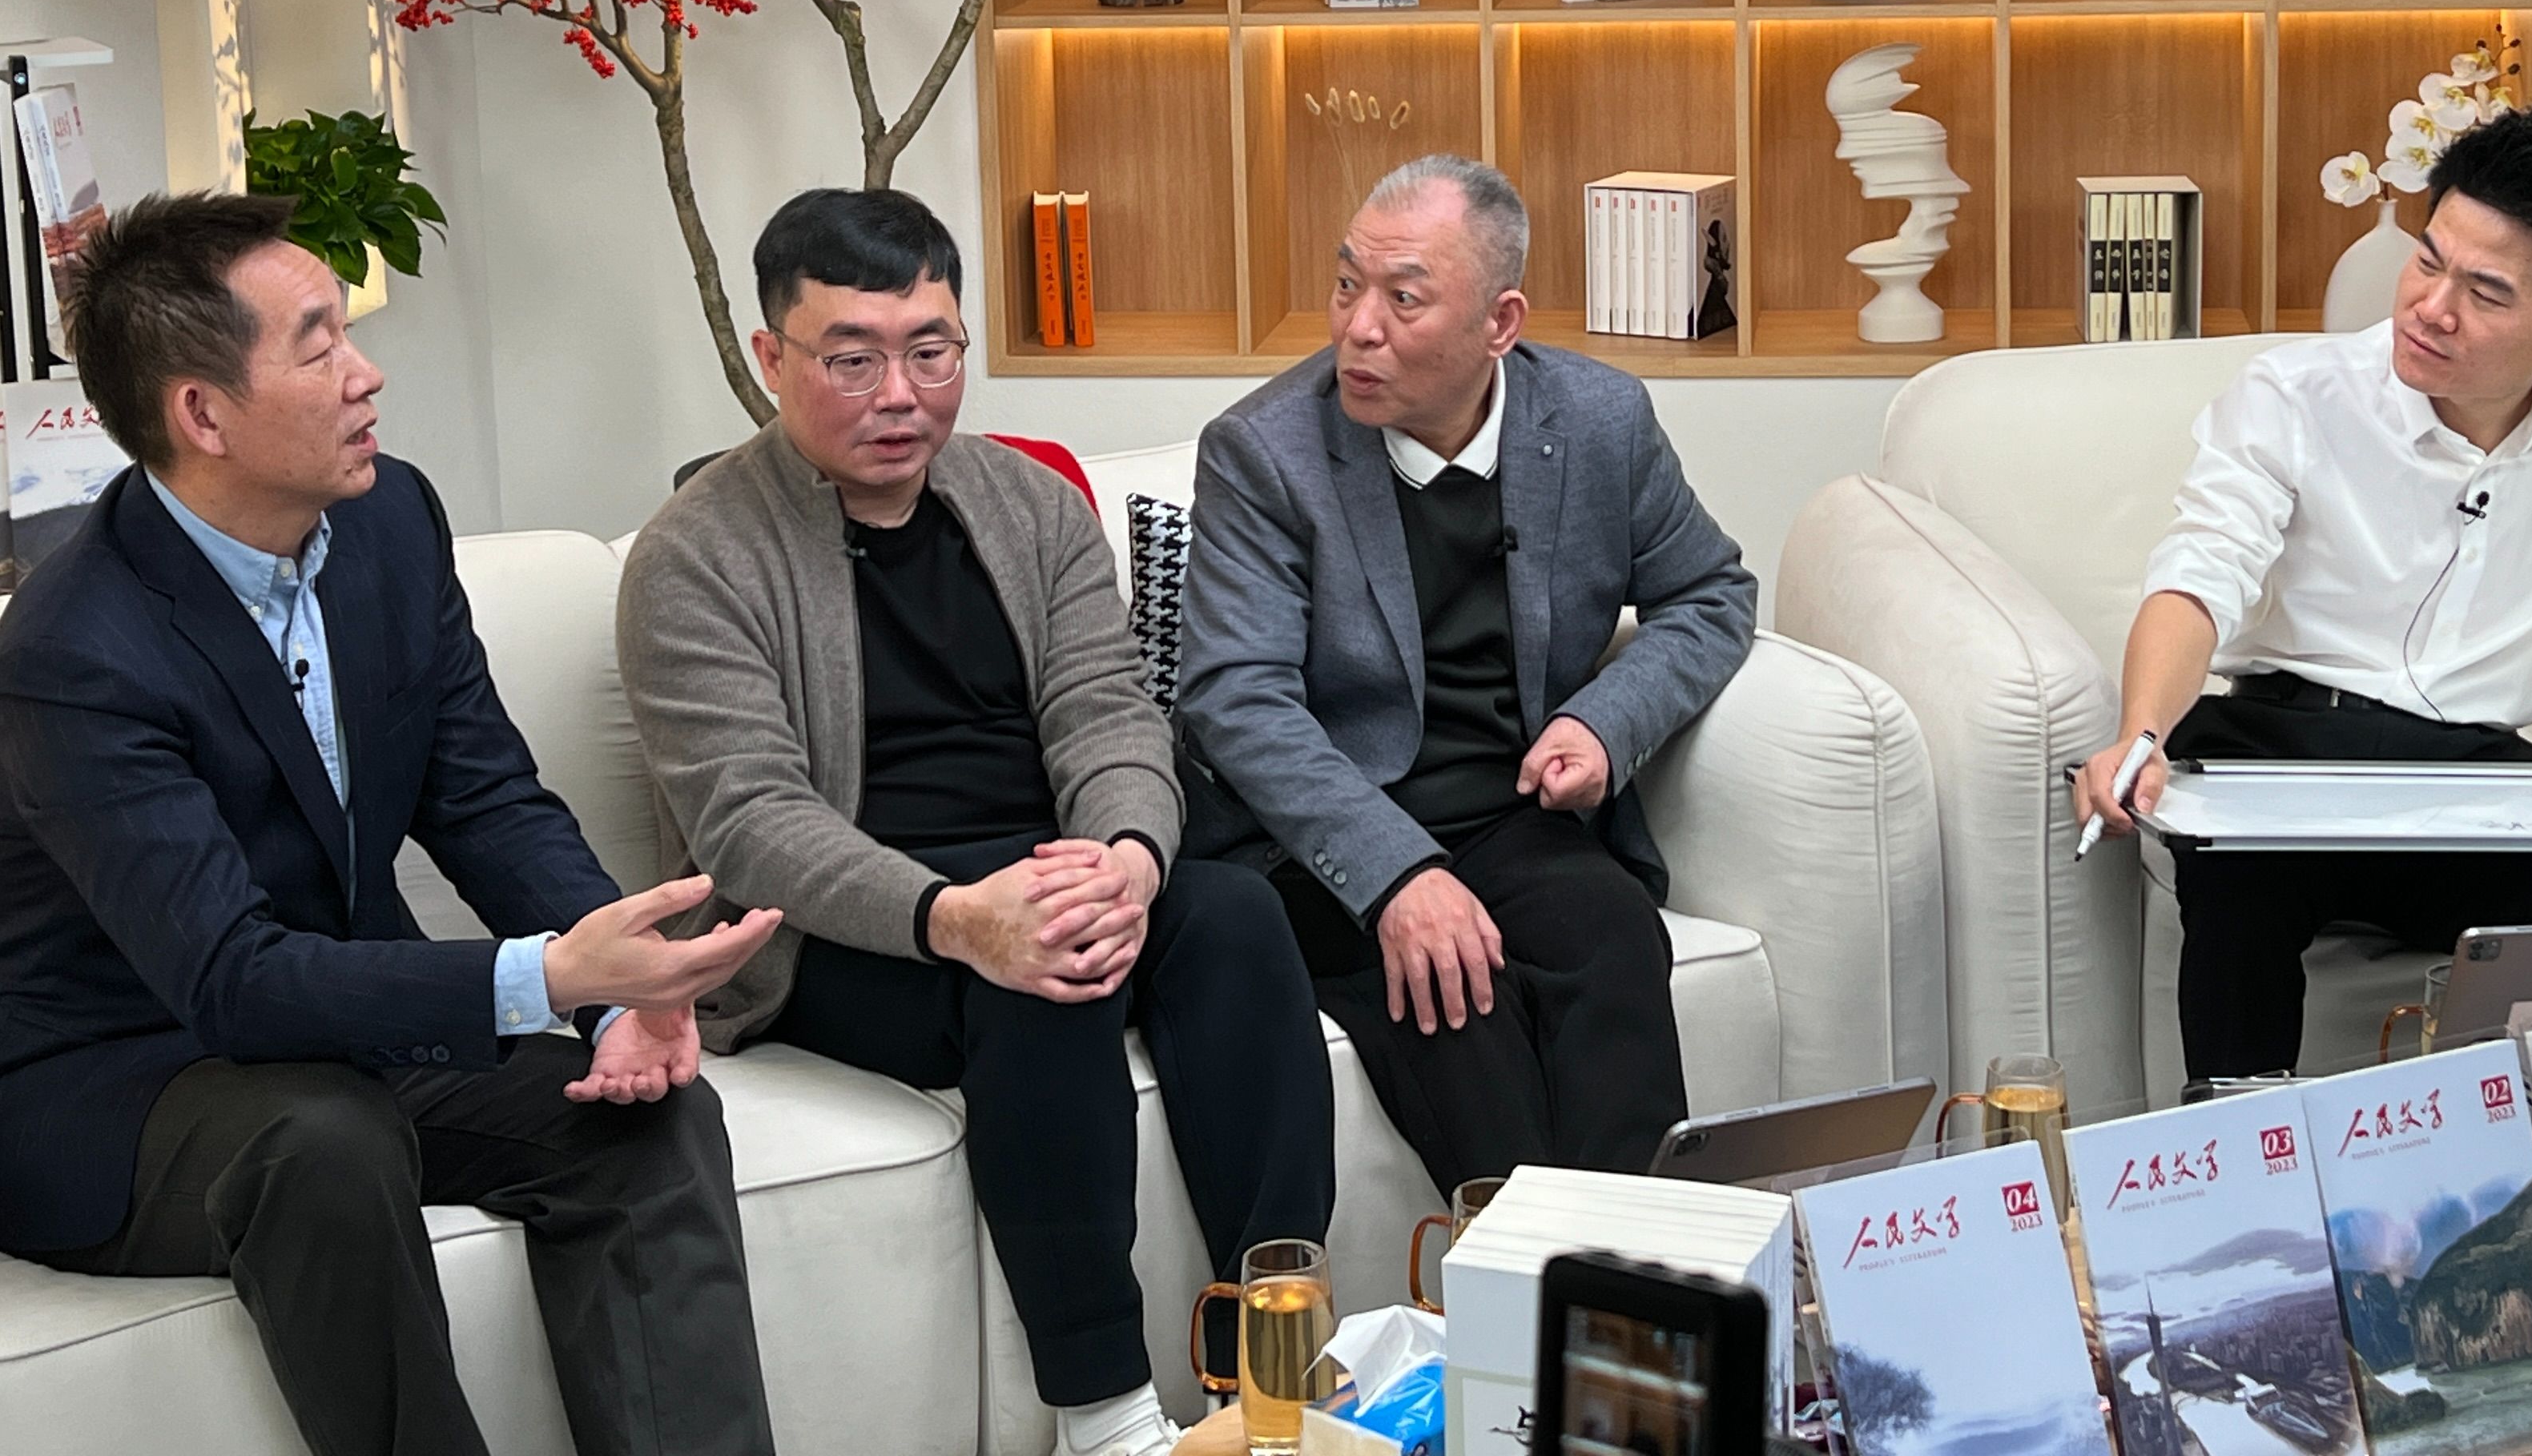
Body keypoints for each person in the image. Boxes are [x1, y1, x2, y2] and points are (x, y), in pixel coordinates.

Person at [0, 191, 782, 1456]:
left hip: (339, 1041)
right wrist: (548, 975)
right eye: (318, 345)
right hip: (119, 1082)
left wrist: (618, 989)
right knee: (323, 1141)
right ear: (202, 414)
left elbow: (481, 795)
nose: (367, 374)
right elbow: (230, 979)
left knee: (647, 1119)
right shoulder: (78, 652)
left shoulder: (389, 524)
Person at [617, 188, 1334, 1456]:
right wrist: (958, 919)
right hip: (835, 930)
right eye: (852, 359)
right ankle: (1106, 1412)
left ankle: (1271, 1370)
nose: (901, 395)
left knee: (1232, 914)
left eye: (932, 351)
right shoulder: (695, 555)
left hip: (1041, 865)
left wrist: (1127, 859)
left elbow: (1110, 713)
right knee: (1039, 975)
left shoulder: (1029, 503)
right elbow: (750, 820)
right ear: (770, 355)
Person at [2073, 103, 2532, 1084]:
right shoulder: (2294, 394)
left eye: (2485, 292)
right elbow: (2200, 576)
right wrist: (2142, 731)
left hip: (2473, 773)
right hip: (2280, 745)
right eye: (2428, 261)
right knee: (2241, 886)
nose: (2430, 308)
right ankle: (2238, 1148)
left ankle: (2523, 1156)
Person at [1178, 154, 1757, 1193]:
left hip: (1512, 817)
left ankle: (1633, 1278)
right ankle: (1531, 1279)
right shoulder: (1263, 455)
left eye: (1404, 299)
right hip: (1319, 845)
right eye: (1347, 284)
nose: (1359, 328)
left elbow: (1711, 595)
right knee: (1458, 1005)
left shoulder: (1598, 421)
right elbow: (1235, 698)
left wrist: (1605, 723)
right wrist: (1398, 878)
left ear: (1501, 322)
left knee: (1615, 941)